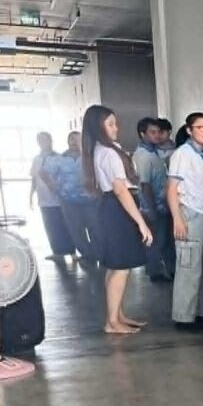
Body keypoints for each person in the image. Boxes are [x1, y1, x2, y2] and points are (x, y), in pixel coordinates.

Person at [82, 105, 153, 334]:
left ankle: (117, 315)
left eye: (115, 123)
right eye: (110, 124)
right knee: (120, 267)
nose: (116, 128)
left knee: (115, 267)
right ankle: (112, 322)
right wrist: (141, 222)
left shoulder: (103, 149)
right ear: (98, 127)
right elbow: (121, 190)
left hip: (112, 207)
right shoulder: (109, 152)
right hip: (118, 208)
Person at [167, 112, 203, 330]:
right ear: (189, 130)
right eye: (201, 127)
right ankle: (183, 317)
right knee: (189, 267)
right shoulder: (183, 154)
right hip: (190, 214)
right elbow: (171, 189)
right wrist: (177, 218)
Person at [45, 131, 100, 263]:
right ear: (68, 141)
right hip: (68, 201)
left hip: (89, 200)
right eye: (72, 139)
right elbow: (44, 172)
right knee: (76, 230)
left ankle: (98, 253)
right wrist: (55, 188)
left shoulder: (90, 157)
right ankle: (87, 255)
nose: (74, 142)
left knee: (95, 227)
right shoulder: (59, 159)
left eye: (77, 139)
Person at [134, 117, 174, 282]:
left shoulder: (154, 151)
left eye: (158, 132)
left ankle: (170, 270)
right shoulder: (143, 155)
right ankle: (155, 272)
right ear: (142, 134)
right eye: (152, 132)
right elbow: (145, 185)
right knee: (156, 240)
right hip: (152, 205)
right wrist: (151, 210)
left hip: (162, 204)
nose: (157, 135)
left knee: (164, 240)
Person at [31, 132, 74, 260]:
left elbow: (65, 177)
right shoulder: (36, 159)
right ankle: (57, 251)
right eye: (40, 140)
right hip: (43, 200)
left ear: (51, 141)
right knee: (50, 227)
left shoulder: (58, 158)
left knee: (63, 225)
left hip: (57, 199)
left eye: (45, 140)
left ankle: (71, 251)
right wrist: (31, 195)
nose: (43, 143)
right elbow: (34, 178)